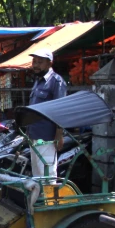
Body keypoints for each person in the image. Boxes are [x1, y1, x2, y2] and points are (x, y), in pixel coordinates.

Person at [27, 48, 67, 178]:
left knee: (48, 176)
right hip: (34, 135)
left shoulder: (56, 81)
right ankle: (41, 199)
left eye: (39, 62)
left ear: (49, 63)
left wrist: (59, 135)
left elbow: (61, 110)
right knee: (37, 176)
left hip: (47, 137)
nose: (36, 65)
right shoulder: (38, 81)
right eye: (34, 62)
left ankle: (50, 199)